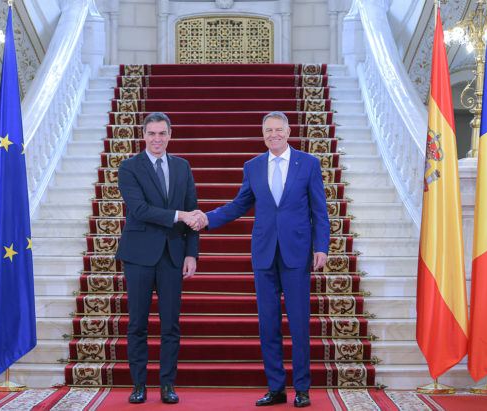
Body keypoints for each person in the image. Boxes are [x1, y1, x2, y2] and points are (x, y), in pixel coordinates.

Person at [190, 111, 329, 408]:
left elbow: (320, 210)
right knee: (268, 324)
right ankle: (276, 388)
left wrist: (321, 247)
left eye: (278, 129)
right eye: (268, 130)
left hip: (297, 253)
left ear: (288, 132)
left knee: (299, 324)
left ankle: (302, 388)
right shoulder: (252, 166)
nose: (273, 134)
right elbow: (239, 204)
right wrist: (208, 218)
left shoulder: (308, 163)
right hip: (264, 253)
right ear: (263, 134)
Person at [115, 112, 200, 404]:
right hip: (138, 255)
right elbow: (139, 210)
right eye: (151, 133)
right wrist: (179, 215)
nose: (157, 139)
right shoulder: (128, 167)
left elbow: (192, 210)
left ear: (170, 135)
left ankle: (167, 385)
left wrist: (191, 253)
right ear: (143, 135)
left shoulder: (182, 166)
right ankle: (139, 385)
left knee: (170, 325)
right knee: (137, 323)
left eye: (162, 133)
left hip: (173, 255)